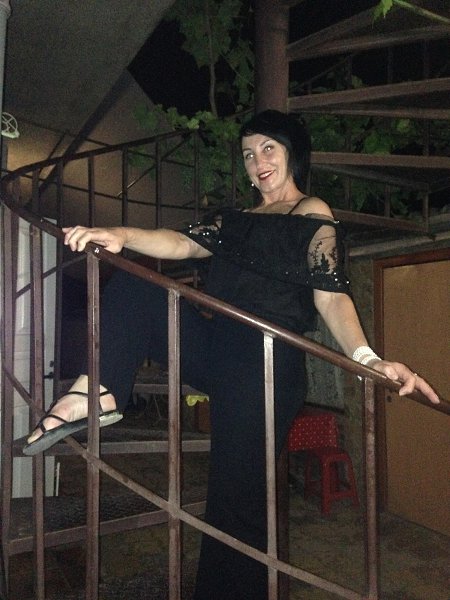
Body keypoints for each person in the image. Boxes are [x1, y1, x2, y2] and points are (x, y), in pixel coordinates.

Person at [23, 110, 439, 599]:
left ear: (292, 152)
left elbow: (330, 296)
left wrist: (368, 360)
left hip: (267, 363)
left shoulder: (309, 211)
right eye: (247, 153)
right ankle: (98, 391)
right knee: (136, 286)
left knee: (235, 500)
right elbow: (181, 243)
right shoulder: (234, 220)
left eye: (268, 148)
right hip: (220, 347)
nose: (257, 161)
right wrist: (122, 236)